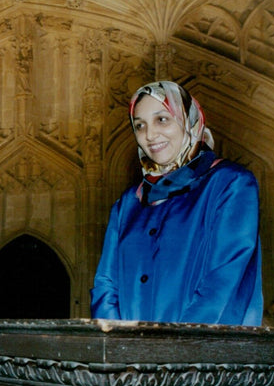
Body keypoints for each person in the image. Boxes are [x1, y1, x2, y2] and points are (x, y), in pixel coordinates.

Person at [89, 81, 263, 326]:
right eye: (140, 125)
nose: (150, 135)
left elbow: (223, 281)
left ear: (188, 120)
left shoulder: (230, 184)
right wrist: (121, 349)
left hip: (200, 355)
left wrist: (174, 350)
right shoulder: (128, 203)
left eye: (162, 120)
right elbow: (106, 285)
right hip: (132, 359)